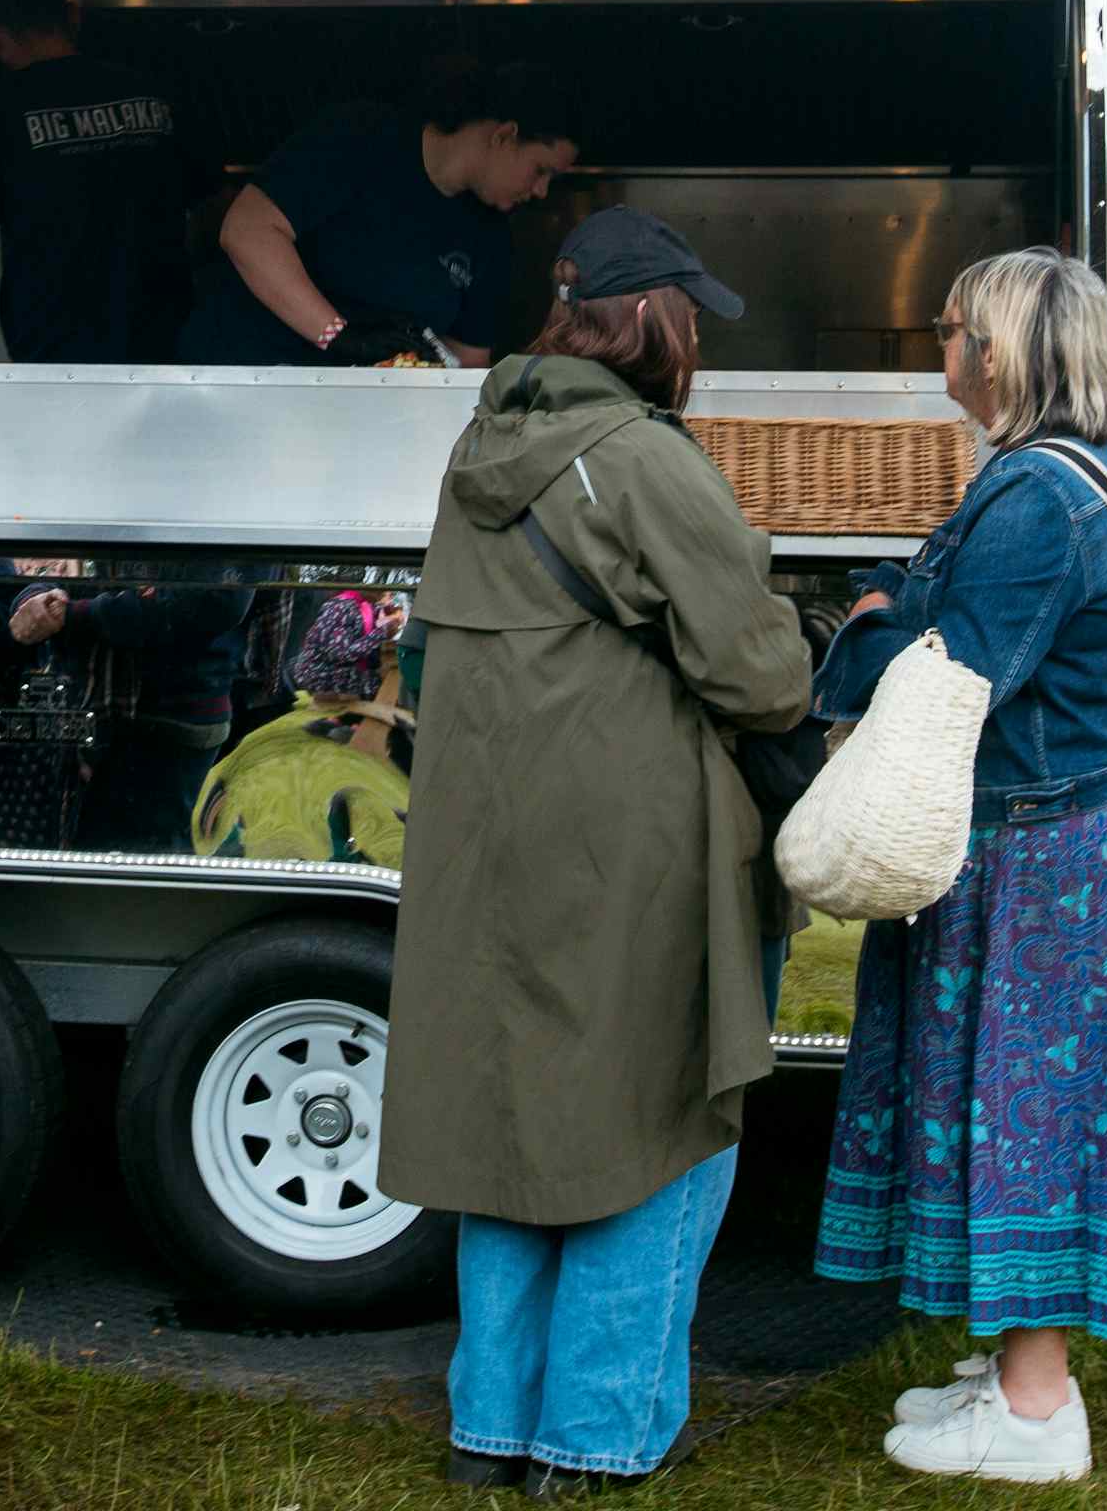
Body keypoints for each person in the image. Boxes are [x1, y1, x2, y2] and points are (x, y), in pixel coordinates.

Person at [384, 208, 812, 1495]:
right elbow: (758, 672)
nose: (698, 343)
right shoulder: (643, 456)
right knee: (659, 1115)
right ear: (653, 322)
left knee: (511, 1122)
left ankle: (491, 1429)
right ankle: (593, 1437)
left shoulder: (483, 440)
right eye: (692, 317)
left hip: (486, 836)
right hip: (632, 840)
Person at [809, 246, 1107, 1488]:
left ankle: (1035, 1410)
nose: (940, 348)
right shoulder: (1102, 470)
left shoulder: (1035, 498)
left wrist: (866, 633)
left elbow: (940, 675)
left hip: (1038, 848)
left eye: (952, 327)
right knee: (1010, 1095)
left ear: (1002, 352)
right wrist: (892, 609)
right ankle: (1016, 1373)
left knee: (1023, 1104)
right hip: (1067, 826)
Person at [179, 62, 579, 367]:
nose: (541, 191)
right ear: (504, 136)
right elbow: (247, 230)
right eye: (541, 170)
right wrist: (338, 335)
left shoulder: (490, 235)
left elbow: (466, 359)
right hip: (245, 380)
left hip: (360, 422)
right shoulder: (360, 139)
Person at [0, 0, 190, 363]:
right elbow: (217, 209)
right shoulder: (155, 93)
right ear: (72, 15)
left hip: (55, 361)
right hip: (169, 349)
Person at [0, 577, 252, 854]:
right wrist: (40, 601)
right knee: (90, 856)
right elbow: (74, 561)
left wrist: (73, 614)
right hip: (92, 708)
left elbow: (214, 600)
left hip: (170, 719)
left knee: (148, 867)